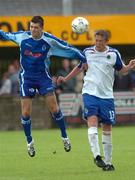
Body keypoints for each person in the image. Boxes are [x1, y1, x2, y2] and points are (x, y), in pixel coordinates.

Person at [0, 16, 87, 157]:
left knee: (54, 109)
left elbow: (67, 48)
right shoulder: (22, 37)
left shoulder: (49, 40)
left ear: (42, 28)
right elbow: (4, 35)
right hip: (27, 78)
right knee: (26, 113)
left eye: (36, 27)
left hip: (43, 78)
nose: (33, 30)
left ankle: (65, 137)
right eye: (31, 27)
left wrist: (83, 57)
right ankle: (30, 142)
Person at [57, 29, 135, 171]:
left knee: (107, 127)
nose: (98, 43)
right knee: (92, 121)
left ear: (106, 41)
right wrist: (65, 78)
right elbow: (79, 67)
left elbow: (121, 70)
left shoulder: (113, 54)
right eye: (96, 40)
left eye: (101, 41)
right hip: (90, 93)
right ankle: (97, 156)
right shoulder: (88, 52)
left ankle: (108, 162)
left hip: (107, 96)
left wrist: (129, 67)